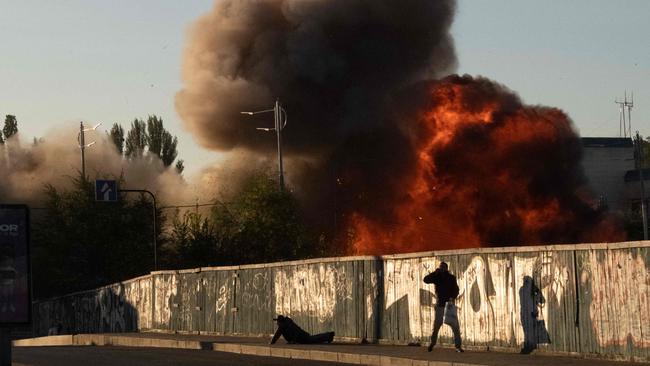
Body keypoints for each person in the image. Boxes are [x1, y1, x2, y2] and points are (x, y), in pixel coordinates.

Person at [423, 261, 463, 352]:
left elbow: (456, 290)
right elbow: (425, 280)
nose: (442, 269)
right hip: (440, 305)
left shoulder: (451, 278)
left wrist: (452, 297)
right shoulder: (437, 277)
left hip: (449, 305)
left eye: (443, 268)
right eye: (441, 268)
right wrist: (434, 273)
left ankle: (458, 346)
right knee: (437, 326)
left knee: (454, 326)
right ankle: (432, 344)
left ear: (446, 269)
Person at [270, 315, 335, 344]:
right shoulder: (284, 326)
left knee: (313, 339)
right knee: (314, 339)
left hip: (302, 337)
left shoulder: (286, 325)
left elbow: (296, 332)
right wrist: (272, 342)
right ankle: (328, 336)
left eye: (278, 322)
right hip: (300, 337)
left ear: (281, 322)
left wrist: (293, 341)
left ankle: (328, 335)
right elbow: (277, 335)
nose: (277, 323)